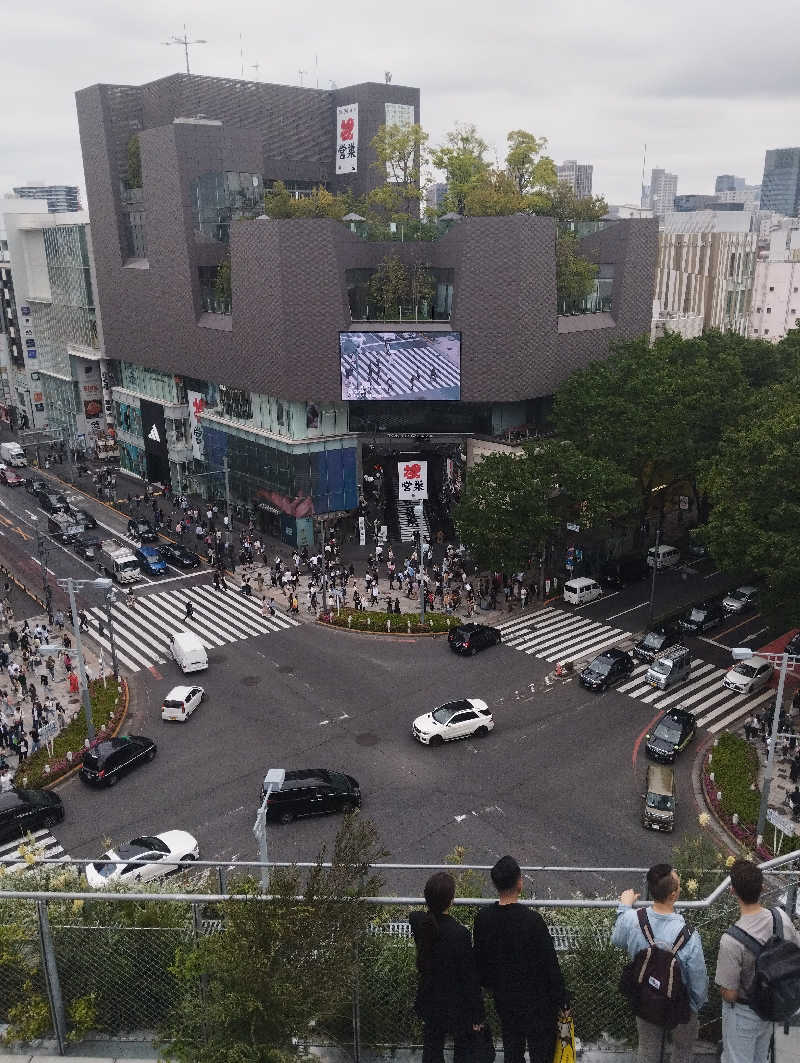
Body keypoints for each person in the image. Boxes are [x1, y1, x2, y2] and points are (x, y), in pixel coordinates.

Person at [473, 855, 567, 1063]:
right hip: (538, 1003)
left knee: (512, 1049)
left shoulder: (483, 919)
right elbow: (550, 965)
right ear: (519, 882)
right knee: (541, 1053)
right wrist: (563, 999)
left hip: (504, 999)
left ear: (495, 884)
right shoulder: (532, 921)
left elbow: (480, 964)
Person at [611, 864, 708, 1063]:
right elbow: (698, 977)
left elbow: (617, 939)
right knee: (682, 1050)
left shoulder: (633, 919)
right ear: (673, 895)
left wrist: (624, 906)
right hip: (681, 1004)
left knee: (647, 1049)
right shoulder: (689, 935)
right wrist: (694, 1006)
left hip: (646, 997)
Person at [716, 859, 800, 1063]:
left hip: (744, 1013)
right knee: (761, 1058)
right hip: (774, 1006)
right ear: (762, 888)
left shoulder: (731, 940)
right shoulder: (782, 918)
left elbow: (730, 994)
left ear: (732, 891)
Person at [409, 871, 484, 1063]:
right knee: (462, 1050)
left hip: (430, 999)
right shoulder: (460, 934)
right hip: (456, 1004)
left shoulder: (421, 925)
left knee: (432, 1049)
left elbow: (414, 915)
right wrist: (478, 1014)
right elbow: (470, 979)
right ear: (451, 901)